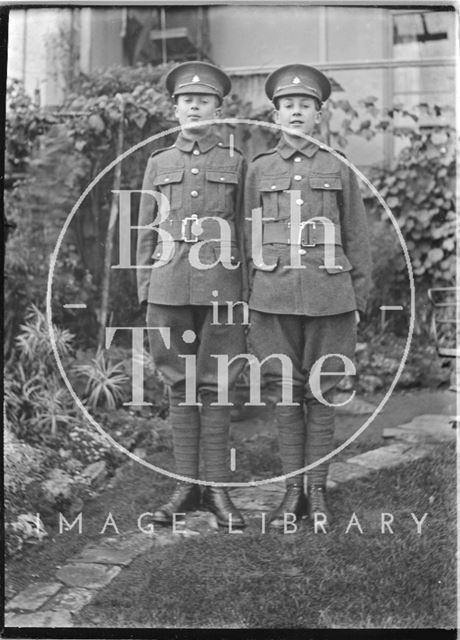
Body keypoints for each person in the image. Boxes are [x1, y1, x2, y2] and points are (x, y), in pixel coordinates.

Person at [245, 64, 371, 531]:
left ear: (319, 115)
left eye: (305, 106)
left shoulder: (338, 167)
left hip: (330, 296)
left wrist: (361, 295)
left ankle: (317, 491)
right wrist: (246, 298)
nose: (296, 112)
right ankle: (291, 491)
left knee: (322, 392)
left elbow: (358, 233)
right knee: (284, 394)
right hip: (272, 297)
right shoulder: (260, 170)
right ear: (274, 114)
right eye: (287, 106)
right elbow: (245, 234)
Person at [136, 61, 247, 529]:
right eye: (187, 100)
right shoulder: (158, 163)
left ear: (219, 109)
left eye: (204, 100)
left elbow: (246, 230)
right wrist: (145, 290)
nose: (195, 106)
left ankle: (218, 487)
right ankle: (185, 487)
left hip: (222, 285)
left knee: (217, 383)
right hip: (167, 285)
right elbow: (144, 231)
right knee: (178, 383)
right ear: (175, 109)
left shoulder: (236, 163)